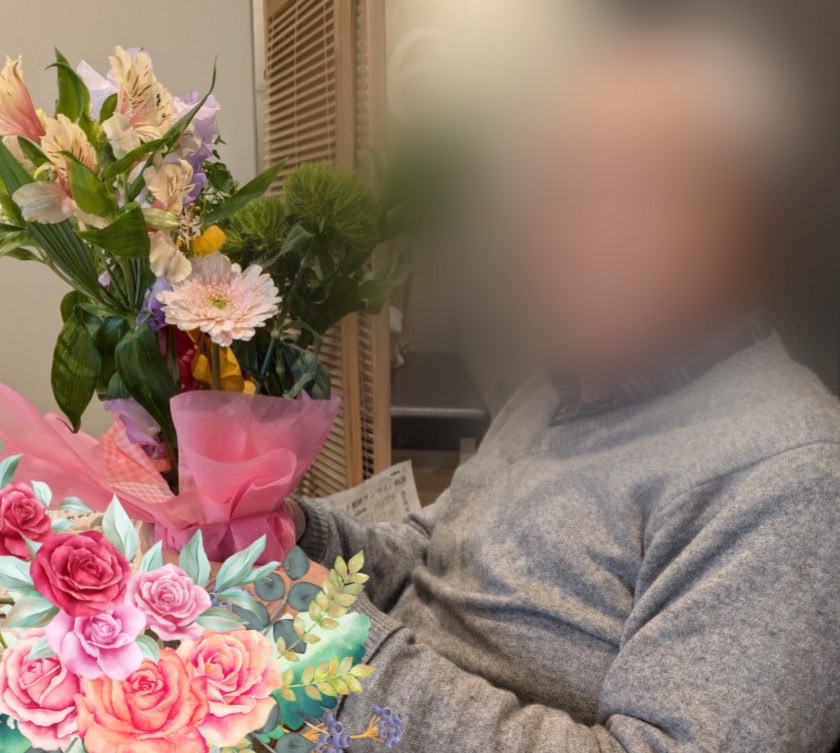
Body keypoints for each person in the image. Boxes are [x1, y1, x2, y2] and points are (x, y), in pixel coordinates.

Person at [287, 17, 840, 753]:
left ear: (752, 226)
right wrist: (291, 535)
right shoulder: (560, 389)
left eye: (651, 188)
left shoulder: (791, 479)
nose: (588, 234)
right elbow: (432, 553)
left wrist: (326, 647)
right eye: (568, 185)